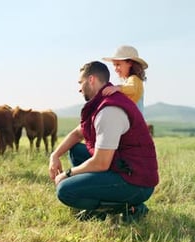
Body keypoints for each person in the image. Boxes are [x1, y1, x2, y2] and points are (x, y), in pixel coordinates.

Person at [48, 61, 158, 222]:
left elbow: (101, 163)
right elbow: (78, 133)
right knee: (76, 150)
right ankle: (99, 206)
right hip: (123, 165)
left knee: (65, 190)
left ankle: (132, 207)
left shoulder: (109, 111)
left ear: (91, 79)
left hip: (136, 181)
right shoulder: (101, 103)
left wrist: (68, 174)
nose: (79, 88)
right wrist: (55, 155)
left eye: (80, 82)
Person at [101, 45, 148, 113]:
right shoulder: (129, 81)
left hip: (135, 121)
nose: (115, 69)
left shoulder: (134, 79)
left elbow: (132, 88)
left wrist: (117, 88)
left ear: (130, 63)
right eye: (114, 65)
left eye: (118, 65)